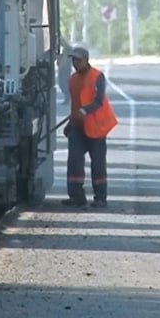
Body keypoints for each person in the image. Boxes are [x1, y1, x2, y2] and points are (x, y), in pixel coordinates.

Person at [62, 46, 118, 209]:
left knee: (98, 163)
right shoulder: (72, 79)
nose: (75, 63)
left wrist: (84, 111)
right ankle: (76, 196)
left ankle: (100, 197)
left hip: (96, 127)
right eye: (73, 60)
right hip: (78, 126)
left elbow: (99, 100)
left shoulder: (97, 76)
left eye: (78, 60)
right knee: (74, 161)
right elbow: (75, 104)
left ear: (86, 60)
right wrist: (70, 124)